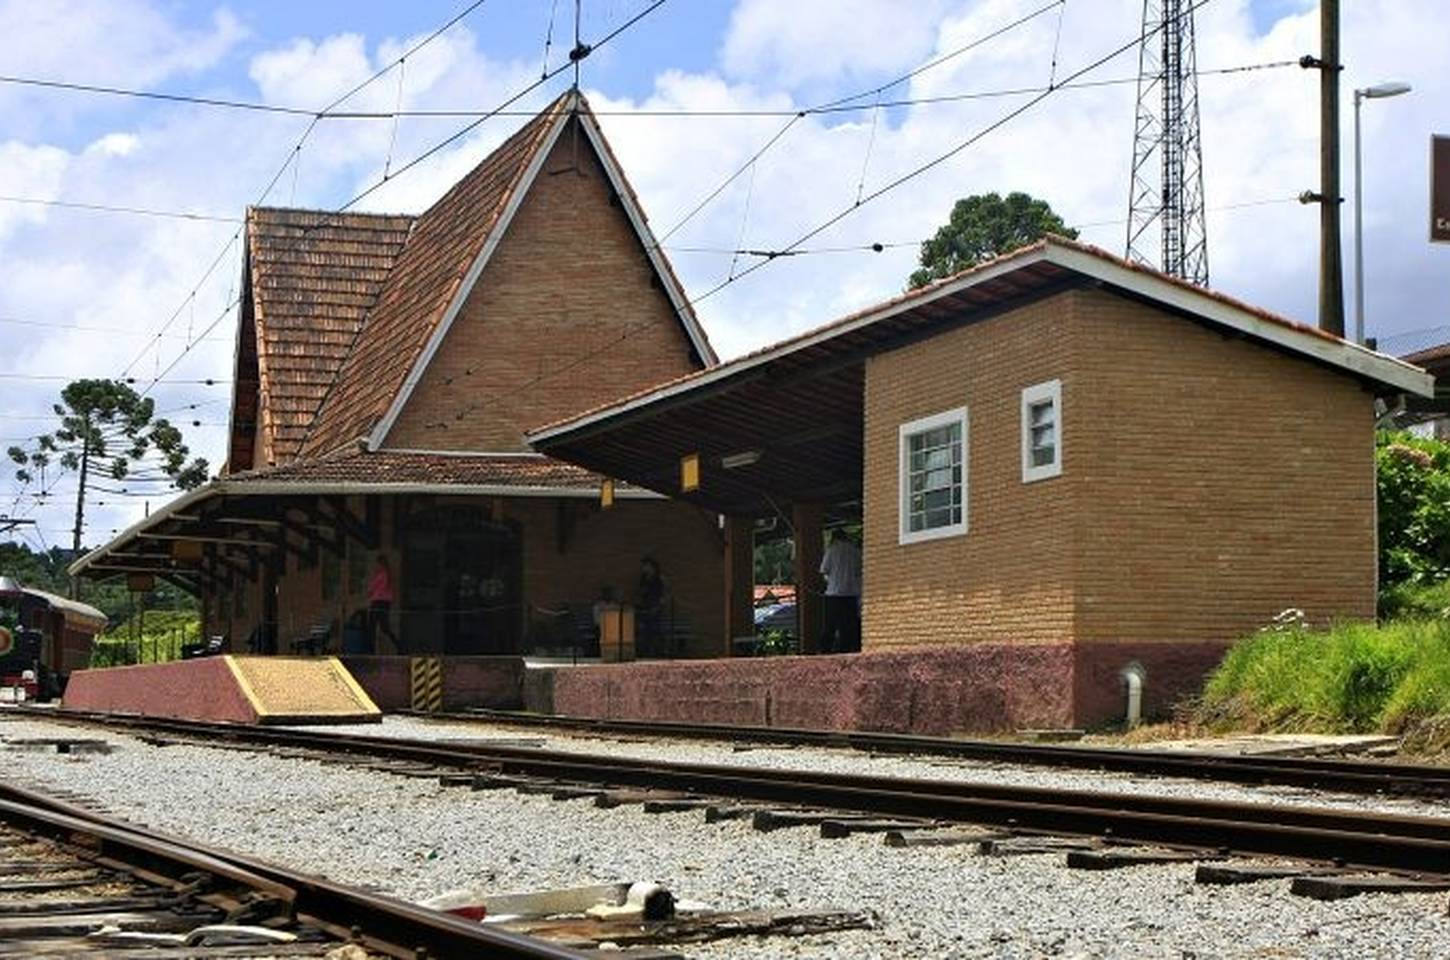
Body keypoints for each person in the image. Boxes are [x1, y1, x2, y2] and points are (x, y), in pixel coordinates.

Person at [818, 529, 862, 654]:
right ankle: (845, 650)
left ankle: (825, 651)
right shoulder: (855, 551)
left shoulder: (832, 550)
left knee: (829, 625)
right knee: (848, 626)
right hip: (851, 594)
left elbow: (824, 570)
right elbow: (858, 571)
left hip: (834, 593)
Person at [367, 554, 400, 653]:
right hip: (385, 602)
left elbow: (372, 589)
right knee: (384, 627)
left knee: (372, 626)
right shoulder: (387, 575)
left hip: (378, 601)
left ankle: (371, 650)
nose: (376, 566)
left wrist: (370, 592)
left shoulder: (381, 575)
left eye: (377, 564)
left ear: (380, 564)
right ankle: (398, 645)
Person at [634, 556, 666, 656]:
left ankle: (657, 651)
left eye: (646, 565)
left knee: (655, 628)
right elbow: (641, 592)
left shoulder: (659, 578)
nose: (644, 568)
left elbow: (663, 594)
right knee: (644, 629)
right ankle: (645, 650)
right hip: (645, 607)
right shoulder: (643, 578)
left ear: (652, 566)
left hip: (655, 607)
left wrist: (658, 606)